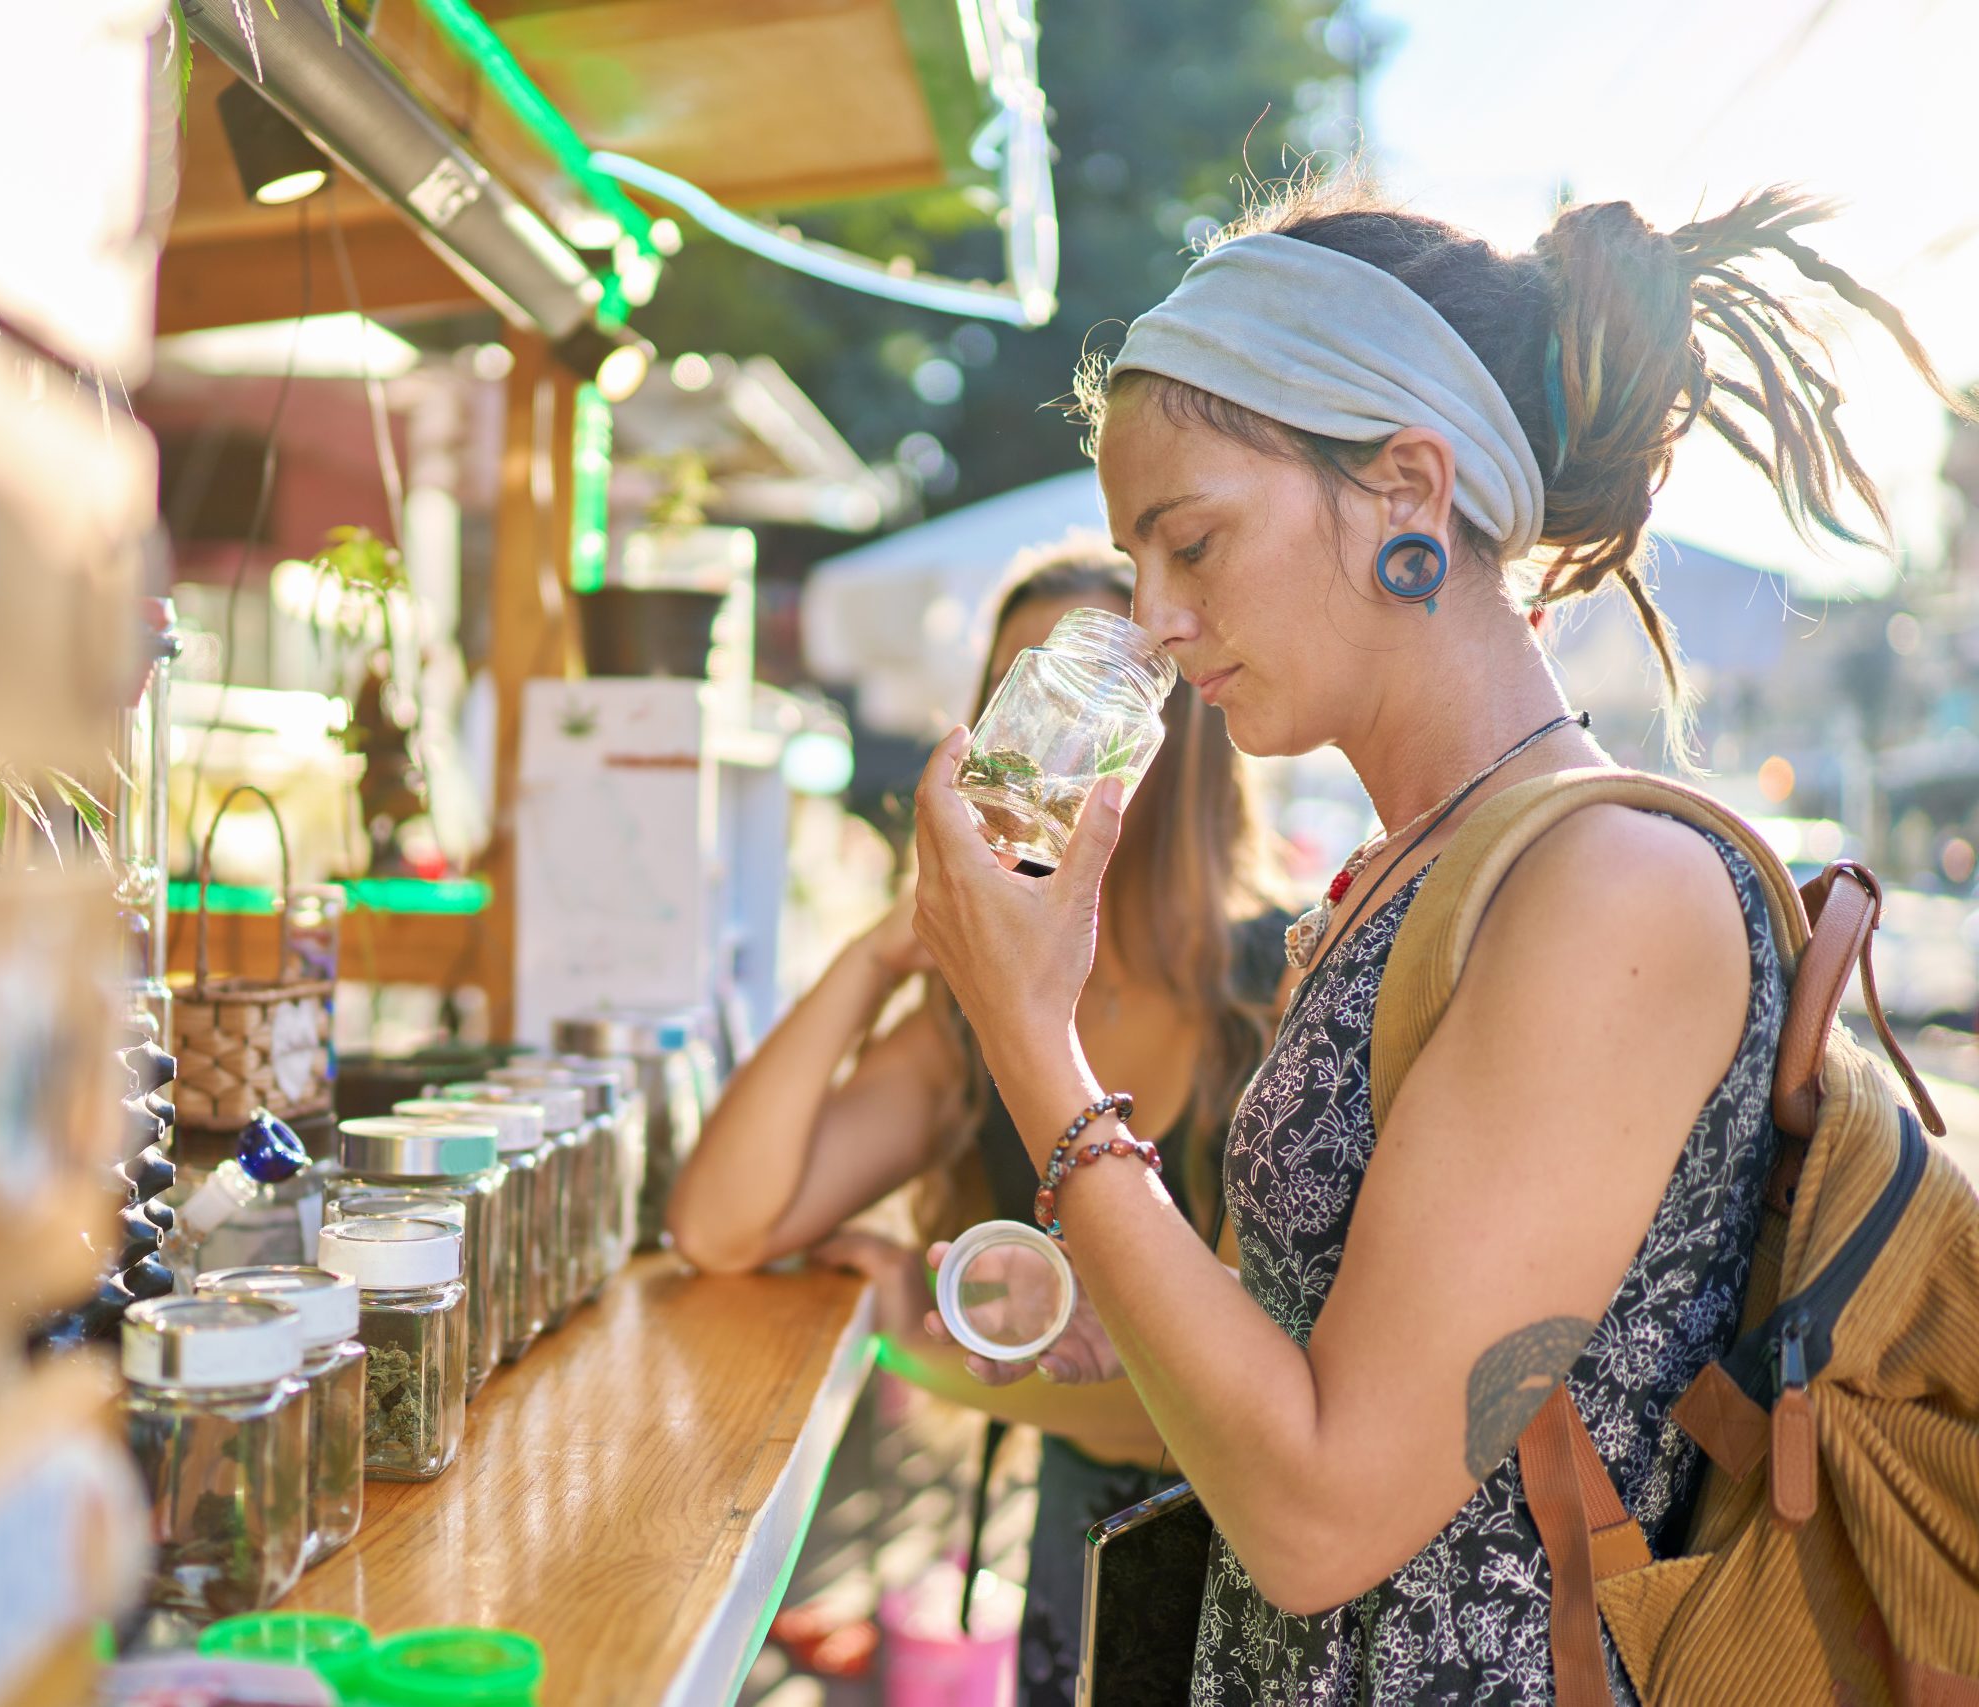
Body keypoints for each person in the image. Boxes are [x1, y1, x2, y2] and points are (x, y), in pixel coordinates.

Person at [906, 178, 1970, 1700]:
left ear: (1409, 486)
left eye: (1189, 541)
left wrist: (1029, 1034)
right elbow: (1323, 1354)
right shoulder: (1414, 874)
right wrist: (1112, 1319)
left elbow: (1326, 1511)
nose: (1152, 616)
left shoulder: (1613, 892)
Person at [667, 539, 1292, 1703]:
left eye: (1098, 711)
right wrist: (882, 948)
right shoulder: (968, 1022)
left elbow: (1231, 1393)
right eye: (1030, 697)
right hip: (1079, 1530)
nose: (1049, 753)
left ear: (1173, 743)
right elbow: (721, 1225)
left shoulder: (1280, 986)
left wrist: (930, 1349)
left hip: (1258, 1564)